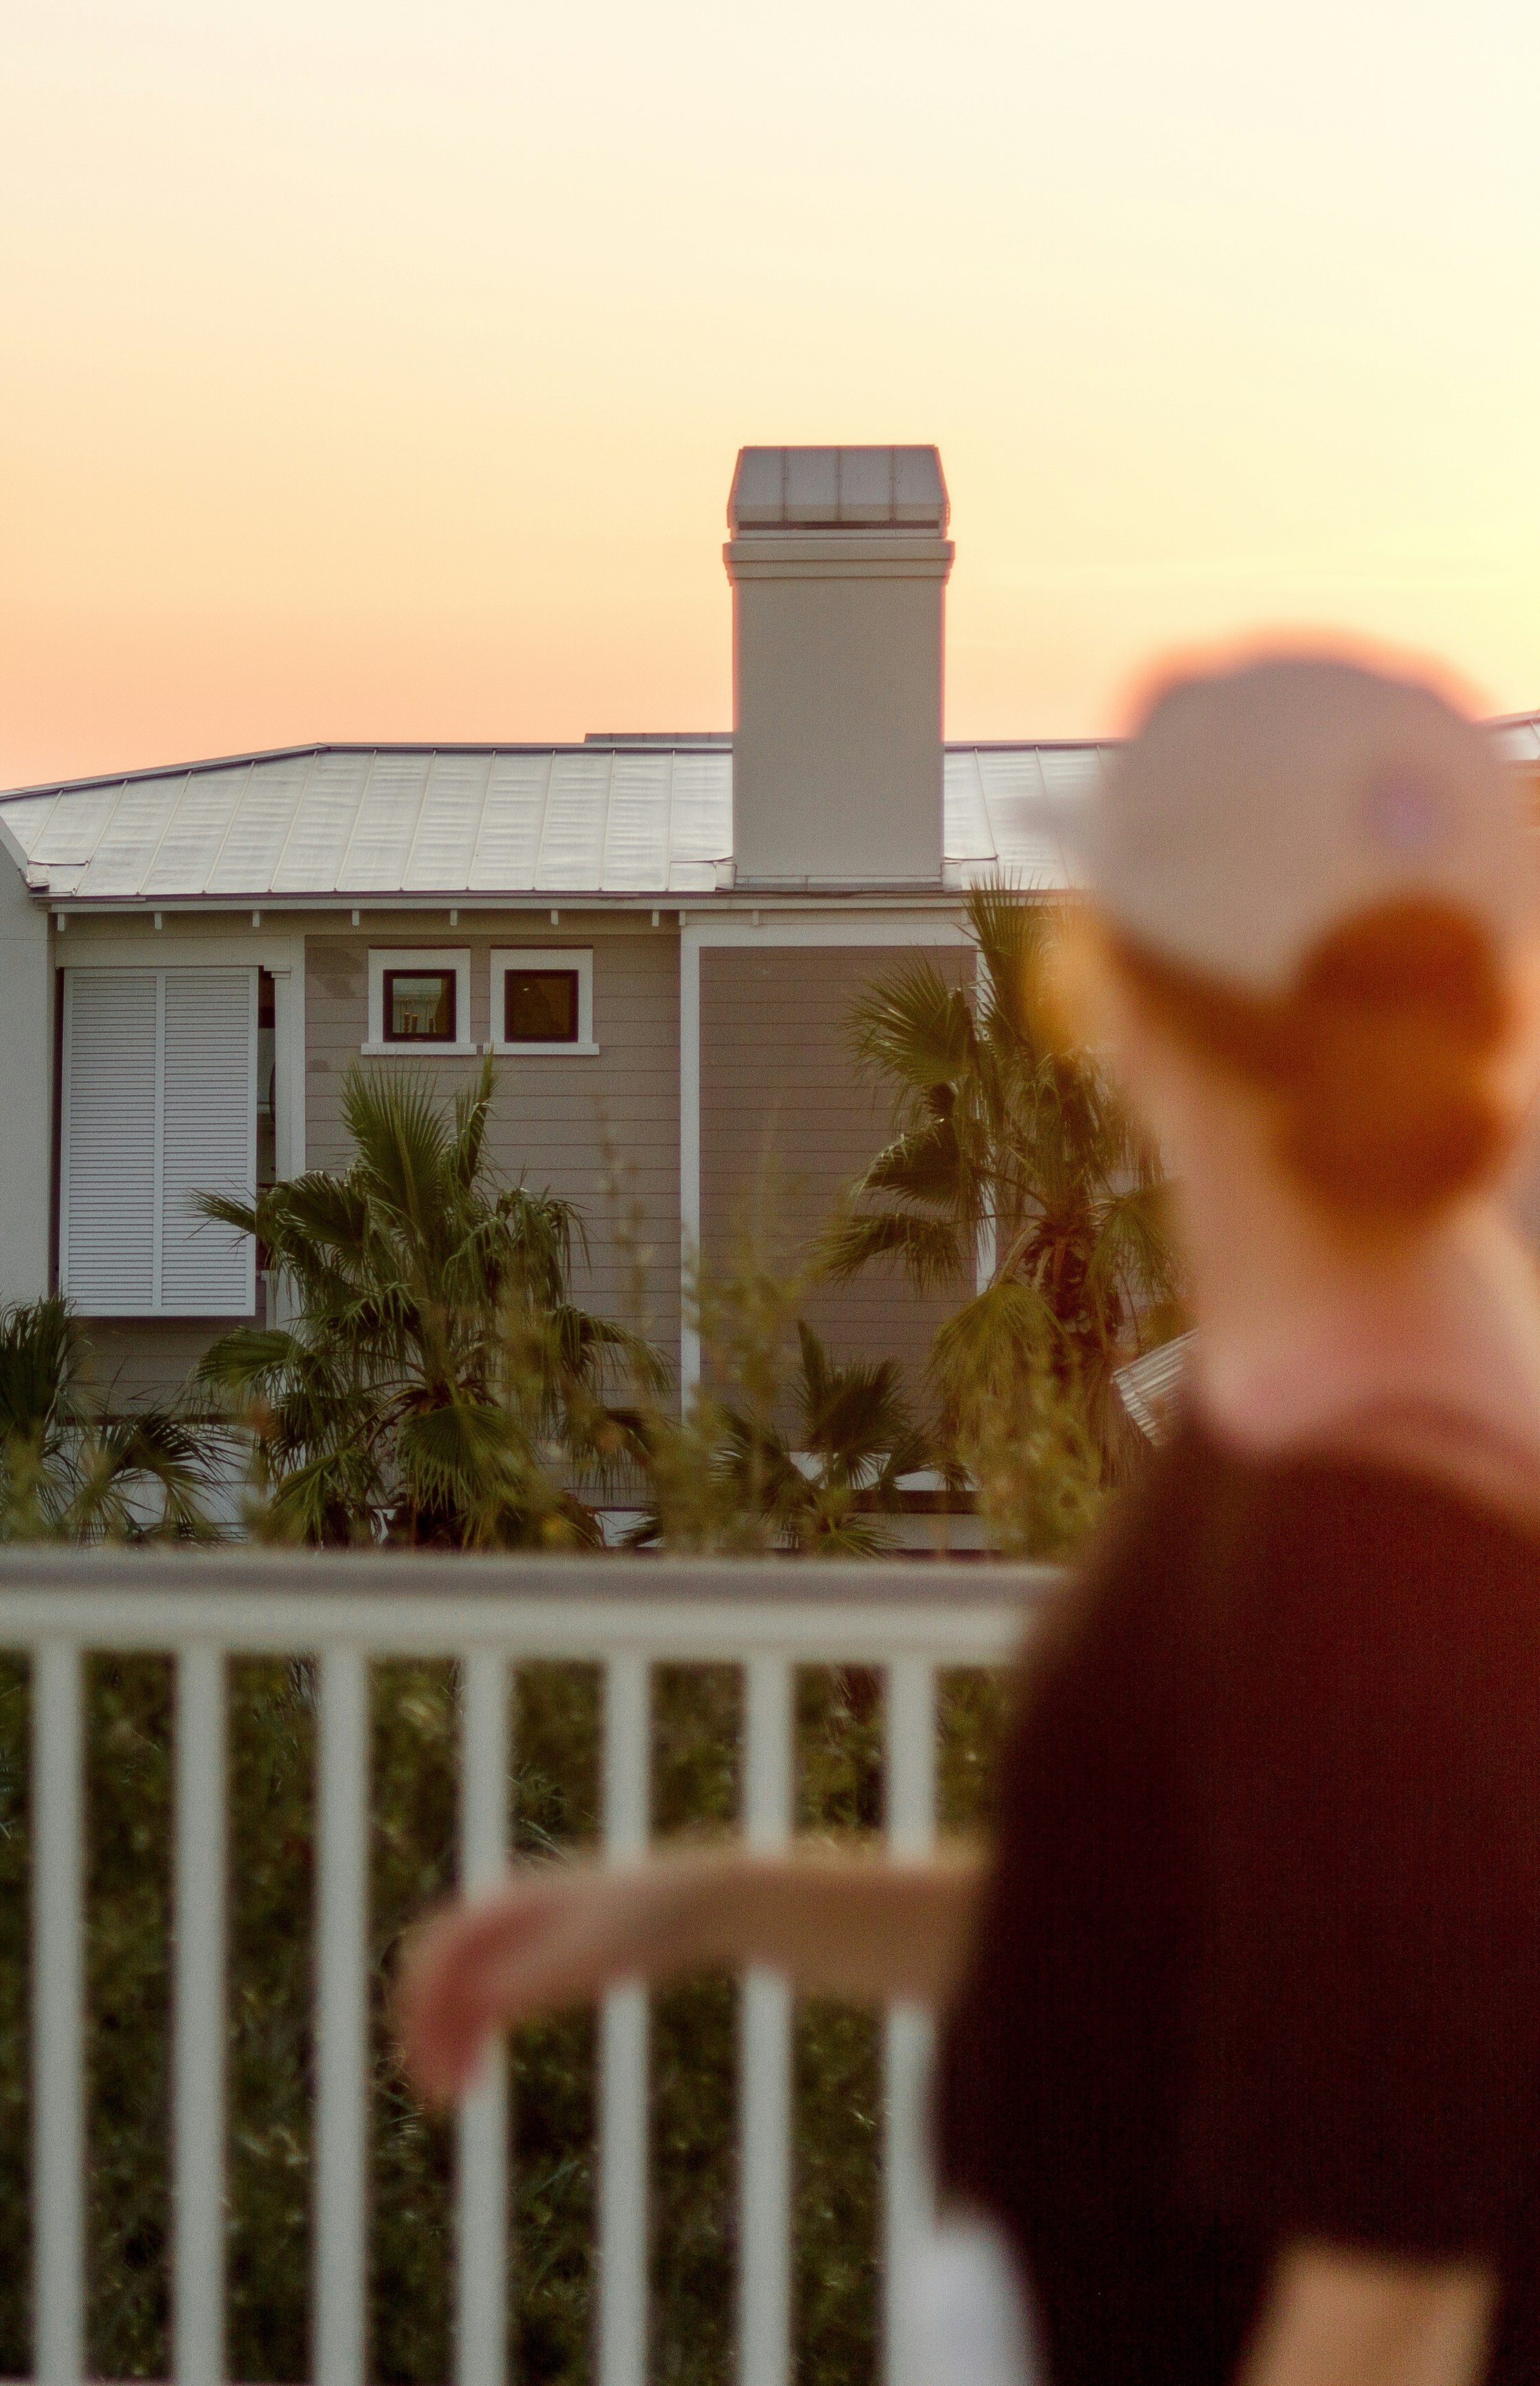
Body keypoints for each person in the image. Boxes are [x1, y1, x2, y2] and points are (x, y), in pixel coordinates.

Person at [400, 652, 1540, 2386]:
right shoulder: (1331, 1396)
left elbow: (1393, 2283)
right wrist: (711, 1902)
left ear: (1129, 1000)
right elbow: (1180, 1925)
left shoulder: (1381, 1521)